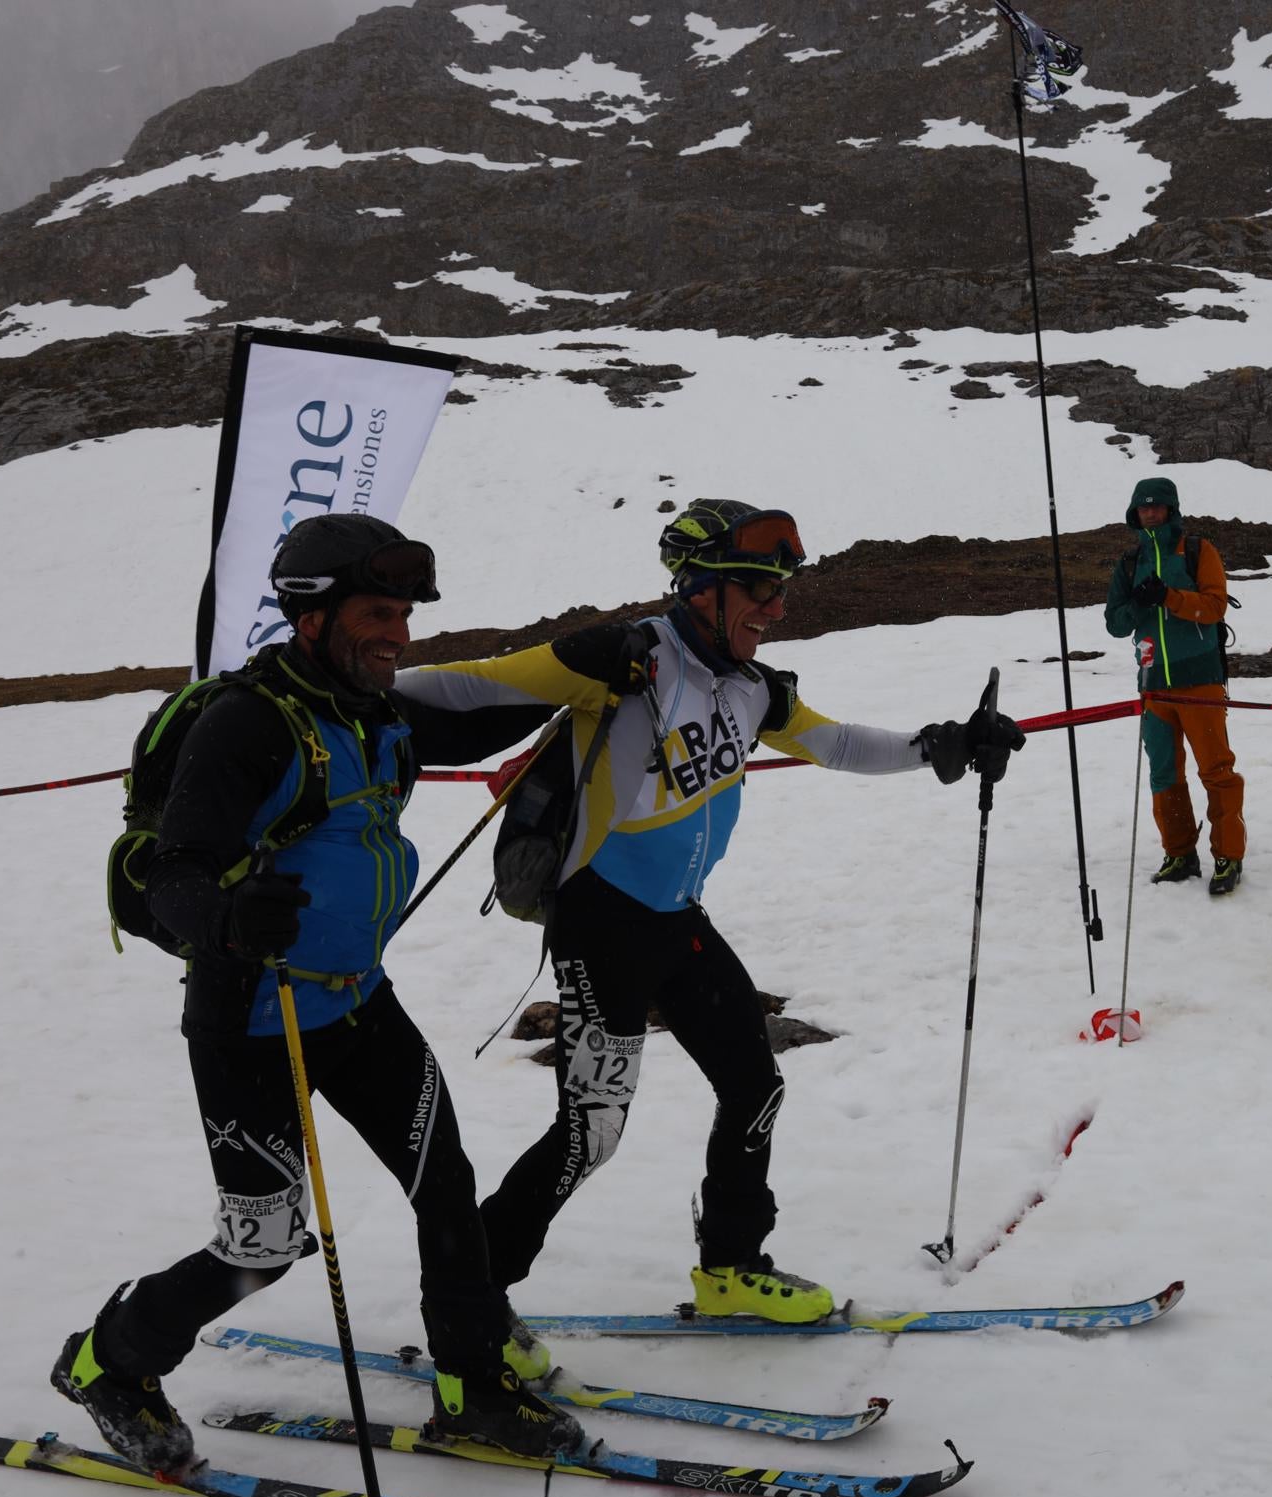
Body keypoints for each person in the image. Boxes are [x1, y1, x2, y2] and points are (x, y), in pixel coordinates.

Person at [393, 500, 1024, 1334]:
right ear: (700, 589)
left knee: (754, 1084)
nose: (777, 608)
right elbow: (469, 684)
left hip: (678, 922)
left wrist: (936, 742)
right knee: (590, 1134)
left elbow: (833, 743)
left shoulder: (751, 687)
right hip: (601, 925)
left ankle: (730, 1265)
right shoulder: (619, 658)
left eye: (781, 589)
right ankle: (472, 1301)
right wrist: (324, 684)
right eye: (759, 588)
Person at [52, 514, 584, 1475]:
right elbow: (169, 872)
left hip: (356, 1000)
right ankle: (109, 1362)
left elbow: (483, 710)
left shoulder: (374, 707)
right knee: (263, 1245)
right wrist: (225, 917)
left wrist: (592, 676)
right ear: (313, 615)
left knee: (445, 1184)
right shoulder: (248, 724)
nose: (399, 634)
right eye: (379, 613)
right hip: (251, 1018)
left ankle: (470, 1388)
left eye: (405, 615)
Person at [1103, 476, 1246, 896]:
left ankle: (1228, 854)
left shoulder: (1198, 551)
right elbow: (1114, 623)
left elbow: (1216, 606)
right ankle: (1179, 852)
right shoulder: (1129, 563)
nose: (1150, 513)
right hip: (1153, 686)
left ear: (1171, 509)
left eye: (1157, 507)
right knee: (1164, 772)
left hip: (1199, 679)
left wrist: (1169, 597)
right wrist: (1138, 604)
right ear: (1135, 512)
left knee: (1216, 769)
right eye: (1143, 507)